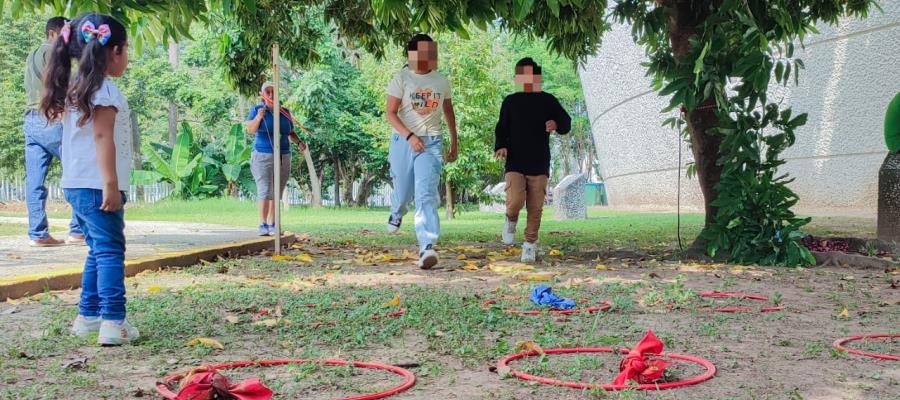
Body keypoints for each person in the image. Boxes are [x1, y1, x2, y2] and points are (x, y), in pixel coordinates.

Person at [40, 13, 138, 345]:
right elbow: (101, 138)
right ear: (113, 51)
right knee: (111, 250)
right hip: (98, 185)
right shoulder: (104, 90)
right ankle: (114, 321)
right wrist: (111, 183)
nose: (127, 56)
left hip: (76, 184)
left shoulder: (76, 88)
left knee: (97, 249)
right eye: (126, 49)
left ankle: (88, 316)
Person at [385, 34, 458, 269]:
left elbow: (448, 112)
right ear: (412, 55)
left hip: (432, 142)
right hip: (403, 140)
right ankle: (397, 211)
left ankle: (427, 246)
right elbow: (390, 113)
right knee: (404, 191)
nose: (431, 57)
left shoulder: (441, 81)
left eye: (432, 52)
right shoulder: (401, 78)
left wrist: (454, 140)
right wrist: (410, 136)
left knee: (426, 193)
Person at [494, 58, 571, 263]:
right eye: (523, 75)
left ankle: (529, 244)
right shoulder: (510, 101)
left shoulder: (548, 100)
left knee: (536, 207)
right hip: (515, 162)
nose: (527, 79)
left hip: (539, 162)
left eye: (531, 75)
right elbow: (501, 127)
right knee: (516, 201)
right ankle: (510, 219)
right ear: (518, 78)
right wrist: (500, 145)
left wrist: (556, 123)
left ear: (537, 77)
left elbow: (566, 122)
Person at [23, 16, 84, 247]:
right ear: (53, 33)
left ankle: (37, 234)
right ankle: (78, 231)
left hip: (30, 119)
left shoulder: (32, 55)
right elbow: (58, 84)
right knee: (77, 170)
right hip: (52, 118)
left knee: (35, 181)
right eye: (66, 34)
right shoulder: (53, 51)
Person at [246, 81, 306, 236]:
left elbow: (290, 132)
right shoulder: (257, 110)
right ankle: (262, 223)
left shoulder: (285, 112)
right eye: (268, 92)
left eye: (274, 91)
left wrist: (299, 142)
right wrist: (259, 117)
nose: (271, 95)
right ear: (262, 94)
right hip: (262, 155)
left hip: (283, 154)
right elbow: (250, 130)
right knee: (264, 189)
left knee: (277, 191)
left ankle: (273, 223)